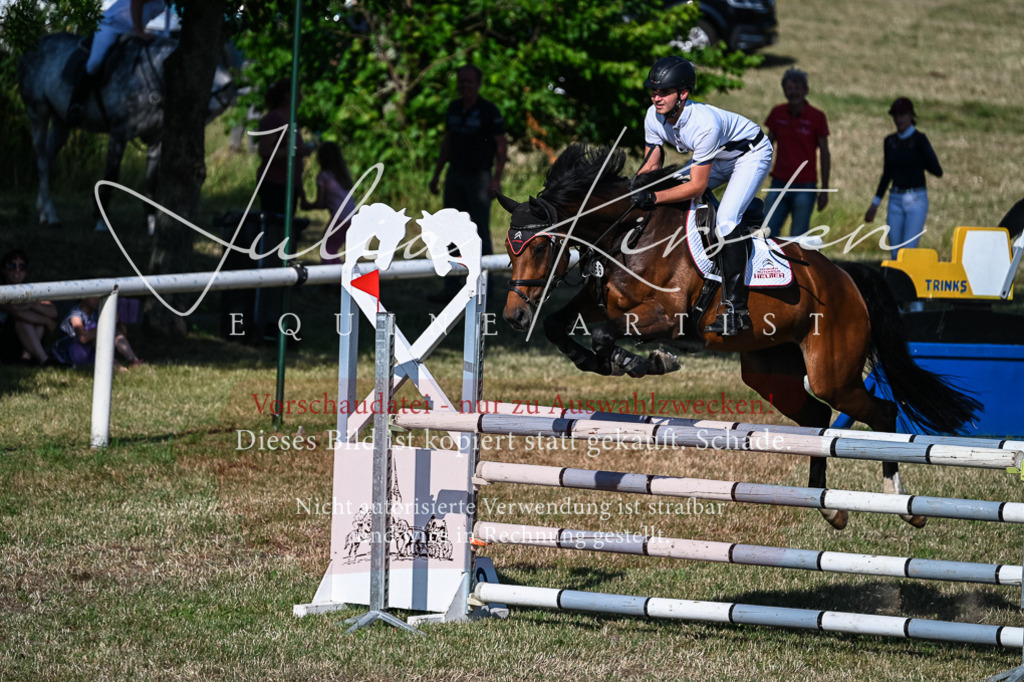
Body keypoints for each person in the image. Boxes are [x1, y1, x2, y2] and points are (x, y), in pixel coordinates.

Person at [633, 56, 773, 336]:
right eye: (654, 91)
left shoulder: (704, 123)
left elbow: (697, 187)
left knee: (726, 222)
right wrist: (635, 190)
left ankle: (736, 311)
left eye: (664, 92)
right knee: (666, 189)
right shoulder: (653, 115)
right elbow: (651, 166)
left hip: (751, 155)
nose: (656, 98)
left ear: (683, 94)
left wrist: (655, 198)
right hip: (717, 157)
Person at [428, 65, 507, 300]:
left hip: (479, 178)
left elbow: (501, 145)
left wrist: (496, 179)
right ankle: (451, 287)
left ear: (478, 84)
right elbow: (447, 143)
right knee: (450, 230)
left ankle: (485, 287)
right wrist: (437, 174)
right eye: (461, 81)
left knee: (479, 231)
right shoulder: (453, 108)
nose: (465, 86)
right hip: (455, 175)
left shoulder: (488, 110)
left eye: (469, 81)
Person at [67, 0, 170, 127]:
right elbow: (136, 3)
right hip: (112, 25)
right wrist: (139, 31)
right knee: (95, 63)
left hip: (131, 31)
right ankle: (76, 104)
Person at [865, 97, 943, 259]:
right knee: (895, 252)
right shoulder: (890, 142)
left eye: (902, 115)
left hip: (916, 199)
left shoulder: (919, 140)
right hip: (895, 198)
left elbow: (936, 170)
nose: (898, 119)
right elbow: (887, 174)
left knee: (908, 251)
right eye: (895, 115)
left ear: (910, 116)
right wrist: (875, 203)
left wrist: (919, 159)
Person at [764, 68, 831, 239]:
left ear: (806, 90)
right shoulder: (777, 113)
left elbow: (825, 154)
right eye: (790, 88)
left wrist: (824, 189)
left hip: (805, 186)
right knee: (766, 232)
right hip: (779, 183)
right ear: (784, 91)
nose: (794, 92)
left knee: (798, 238)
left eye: (797, 88)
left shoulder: (817, 117)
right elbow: (766, 146)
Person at [257, 78, 309, 219]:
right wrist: (295, 152)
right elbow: (265, 151)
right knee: (276, 226)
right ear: (288, 96)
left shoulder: (290, 119)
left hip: (288, 185)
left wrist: (301, 192)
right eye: (298, 92)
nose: (301, 97)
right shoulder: (274, 118)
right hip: (275, 184)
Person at [301, 142, 356, 265]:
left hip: (340, 218)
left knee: (327, 249)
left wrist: (306, 203)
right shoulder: (342, 176)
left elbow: (320, 203)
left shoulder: (324, 176)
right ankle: (338, 273)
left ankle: (333, 274)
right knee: (332, 248)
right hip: (351, 217)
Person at [0, 250, 59, 365]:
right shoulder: (2, 290)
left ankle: (26, 358)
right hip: (6, 343)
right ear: (3, 270)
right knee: (22, 320)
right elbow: (16, 311)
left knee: (36, 323)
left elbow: (53, 311)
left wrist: (32, 304)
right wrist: (46, 321)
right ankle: (44, 360)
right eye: (12, 266)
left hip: (26, 344)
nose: (17, 270)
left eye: (22, 267)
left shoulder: (30, 290)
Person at [51, 297, 143, 369]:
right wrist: (107, 324)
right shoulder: (76, 313)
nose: (97, 299)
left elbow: (120, 335)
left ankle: (134, 360)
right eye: (93, 296)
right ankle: (113, 363)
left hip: (90, 351)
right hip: (71, 352)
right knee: (99, 331)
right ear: (83, 297)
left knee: (113, 331)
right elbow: (83, 338)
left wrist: (119, 321)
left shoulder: (96, 312)